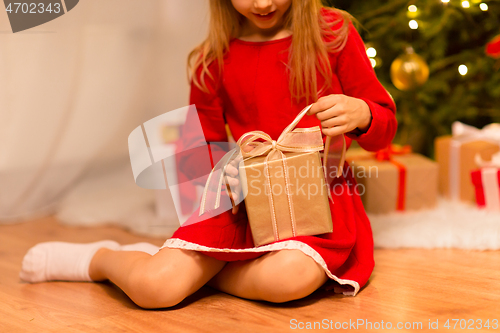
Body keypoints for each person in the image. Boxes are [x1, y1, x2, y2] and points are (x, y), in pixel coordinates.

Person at [20, 0, 396, 309]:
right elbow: (200, 153)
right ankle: (103, 259)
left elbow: (384, 126)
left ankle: (191, 269)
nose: (263, 3)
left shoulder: (333, 34)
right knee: (156, 289)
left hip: (319, 201)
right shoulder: (212, 58)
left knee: (288, 279)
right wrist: (224, 175)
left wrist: (363, 113)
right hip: (243, 199)